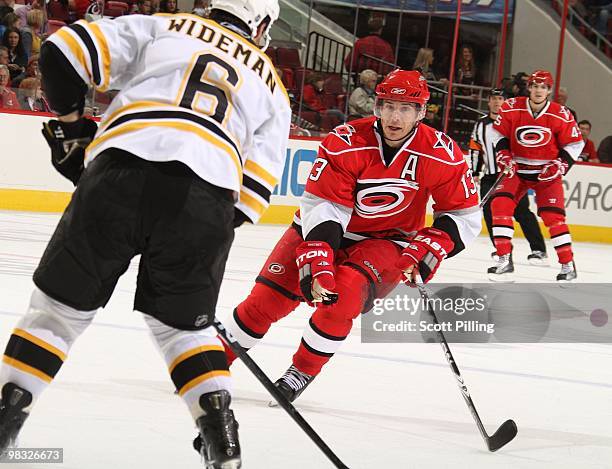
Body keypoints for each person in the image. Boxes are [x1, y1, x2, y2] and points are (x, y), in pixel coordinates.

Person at [0, 2, 290, 468]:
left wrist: (76, 131)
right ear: (259, 25)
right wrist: (192, 242)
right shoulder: (273, 86)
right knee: (184, 335)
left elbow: (61, 50)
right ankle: (222, 440)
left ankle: (4, 424)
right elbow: (249, 198)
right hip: (207, 199)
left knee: (55, 317)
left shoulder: (163, 25)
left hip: (121, 168)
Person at [220, 70, 481, 402]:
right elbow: (325, 205)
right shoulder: (345, 141)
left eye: (404, 108)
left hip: (387, 241)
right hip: (320, 230)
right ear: (377, 107)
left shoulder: (441, 153)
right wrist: (318, 254)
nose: (394, 116)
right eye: (388, 106)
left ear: (420, 112)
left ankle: (302, 370)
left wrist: (433, 246)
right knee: (264, 302)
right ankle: (214, 361)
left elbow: (463, 213)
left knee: (340, 295)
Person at [488, 70, 584, 282]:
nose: (539, 90)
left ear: (549, 91)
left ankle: (567, 264)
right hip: (517, 169)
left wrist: (561, 164)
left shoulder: (561, 113)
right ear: (529, 88)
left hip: (546, 172)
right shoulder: (512, 106)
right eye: (535, 86)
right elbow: (498, 133)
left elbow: (575, 143)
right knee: (500, 206)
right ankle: (504, 259)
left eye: (543, 87)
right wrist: (503, 154)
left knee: (553, 217)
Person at [469, 88, 547, 263]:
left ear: (506, 102)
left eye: (501, 98)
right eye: (494, 98)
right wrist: (475, 172)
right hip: (489, 176)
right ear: (488, 102)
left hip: (512, 175)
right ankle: (502, 250)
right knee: (489, 212)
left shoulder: (514, 122)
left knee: (521, 212)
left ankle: (539, 249)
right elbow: (475, 149)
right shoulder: (480, 125)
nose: (497, 102)